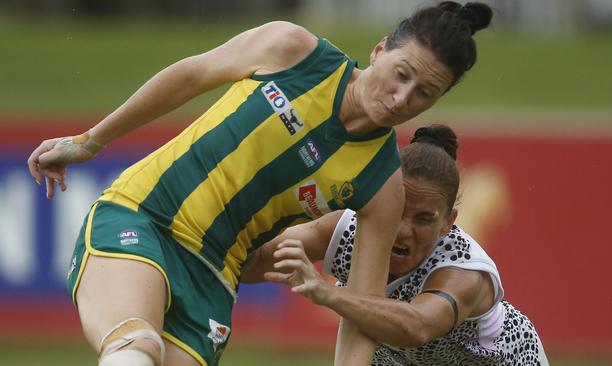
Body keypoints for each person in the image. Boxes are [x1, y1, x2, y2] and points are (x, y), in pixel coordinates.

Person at [27, 2, 492, 365]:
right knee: (135, 346)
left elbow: (361, 314)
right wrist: (91, 141)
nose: (402, 98)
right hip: (143, 216)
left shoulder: (382, 185)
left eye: (424, 93)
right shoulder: (293, 51)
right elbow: (190, 75)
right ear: (380, 49)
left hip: (213, 281)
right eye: (402, 74)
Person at [243, 124, 549, 365]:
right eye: (398, 210)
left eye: (423, 219)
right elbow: (253, 262)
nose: (403, 230)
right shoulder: (349, 226)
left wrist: (327, 295)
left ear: (447, 221)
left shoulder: (463, 272)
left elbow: (416, 327)